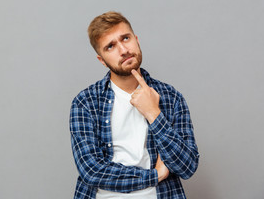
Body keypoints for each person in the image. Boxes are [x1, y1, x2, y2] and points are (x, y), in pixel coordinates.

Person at [69, 11, 199, 199]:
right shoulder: (85, 102)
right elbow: (91, 171)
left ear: (136, 40)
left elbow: (187, 167)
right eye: (110, 46)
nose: (123, 50)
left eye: (126, 38)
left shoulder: (171, 97)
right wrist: (155, 175)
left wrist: (154, 113)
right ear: (102, 60)